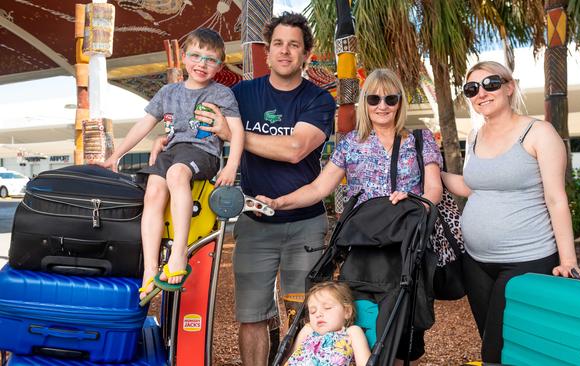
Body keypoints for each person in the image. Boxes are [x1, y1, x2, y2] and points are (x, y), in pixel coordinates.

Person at [152, 12, 337, 365]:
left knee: (308, 315)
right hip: (254, 220)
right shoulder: (239, 93)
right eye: (278, 44)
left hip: (306, 223)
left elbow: (296, 149)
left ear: (306, 55)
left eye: (293, 45)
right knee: (251, 316)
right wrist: (169, 139)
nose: (285, 52)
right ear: (266, 52)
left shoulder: (319, 100)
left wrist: (232, 133)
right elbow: (196, 125)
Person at [256, 68, 444, 365]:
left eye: (390, 98)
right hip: (363, 248)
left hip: (407, 246)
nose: (382, 105)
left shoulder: (420, 140)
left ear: (400, 102)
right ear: (364, 103)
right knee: (361, 321)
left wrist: (417, 202)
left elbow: (434, 189)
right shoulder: (351, 143)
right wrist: (280, 202)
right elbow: (319, 187)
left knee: (403, 330)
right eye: (374, 98)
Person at [441, 61, 580, 363]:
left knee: (498, 349)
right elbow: (472, 186)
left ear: (509, 87)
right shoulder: (476, 135)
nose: (481, 92)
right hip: (477, 261)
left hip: (526, 260)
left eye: (490, 83)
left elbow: (557, 199)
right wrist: (431, 172)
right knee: (492, 340)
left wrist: (568, 261)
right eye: (472, 88)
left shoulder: (538, 133)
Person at [101, 28, 244, 301]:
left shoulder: (222, 93)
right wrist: (115, 155)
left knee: (177, 173)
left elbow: (236, 132)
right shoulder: (168, 92)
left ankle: (178, 254)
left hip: (202, 152)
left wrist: (231, 165)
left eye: (210, 59)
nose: (202, 64)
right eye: (196, 56)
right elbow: (144, 125)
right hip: (173, 150)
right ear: (183, 57)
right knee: (153, 190)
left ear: (219, 65)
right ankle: (150, 268)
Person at [286, 281, 371, 366]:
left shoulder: (352, 332)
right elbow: (288, 360)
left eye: (327, 308)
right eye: (313, 311)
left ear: (347, 311)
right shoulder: (308, 330)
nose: (318, 314)